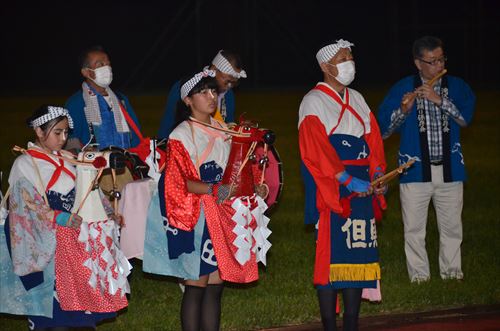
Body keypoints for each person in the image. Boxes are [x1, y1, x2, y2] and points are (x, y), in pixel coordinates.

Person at [0, 105, 129, 330]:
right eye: (57, 132)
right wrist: (57, 217)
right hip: (48, 249)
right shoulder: (25, 164)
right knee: (55, 319)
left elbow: (91, 191)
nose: (63, 138)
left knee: (83, 315)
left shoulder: (71, 158)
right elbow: (23, 209)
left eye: (66, 132)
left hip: (77, 246)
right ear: (39, 132)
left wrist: (109, 214)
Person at [299, 39, 387, 331]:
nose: (350, 62)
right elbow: (315, 148)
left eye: (351, 56)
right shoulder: (313, 101)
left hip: (362, 188)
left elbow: (372, 138)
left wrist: (377, 174)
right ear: (326, 66)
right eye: (342, 57)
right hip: (332, 187)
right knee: (331, 257)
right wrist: (346, 179)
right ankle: (329, 326)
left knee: (356, 255)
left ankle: (351, 323)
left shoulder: (358, 98)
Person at [377, 36, 475, 283]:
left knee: (452, 227)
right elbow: (384, 130)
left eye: (441, 59)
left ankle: (452, 274)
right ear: (418, 63)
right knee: (413, 229)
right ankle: (419, 277)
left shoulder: (457, 86)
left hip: (451, 169)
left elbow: (465, 119)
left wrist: (439, 100)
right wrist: (403, 111)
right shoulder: (402, 88)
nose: (438, 66)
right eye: (431, 61)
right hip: (414, 170)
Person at [65, 45, 141, 151]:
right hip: (92, 165)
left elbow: (136, 137)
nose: (107, 68)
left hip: (125, 163)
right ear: (86, 72)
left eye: (108, 64)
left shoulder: (121, 100)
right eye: (100, 64)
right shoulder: (77, 103)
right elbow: (71, 143)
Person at [157, 49, 246, 139]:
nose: (229, 86)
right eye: (227, 81)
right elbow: (168, 122)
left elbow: (229, 126)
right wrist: (162, 145)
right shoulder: (188, 87)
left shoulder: (228, 95)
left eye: (234, 83)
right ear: (214, 69)